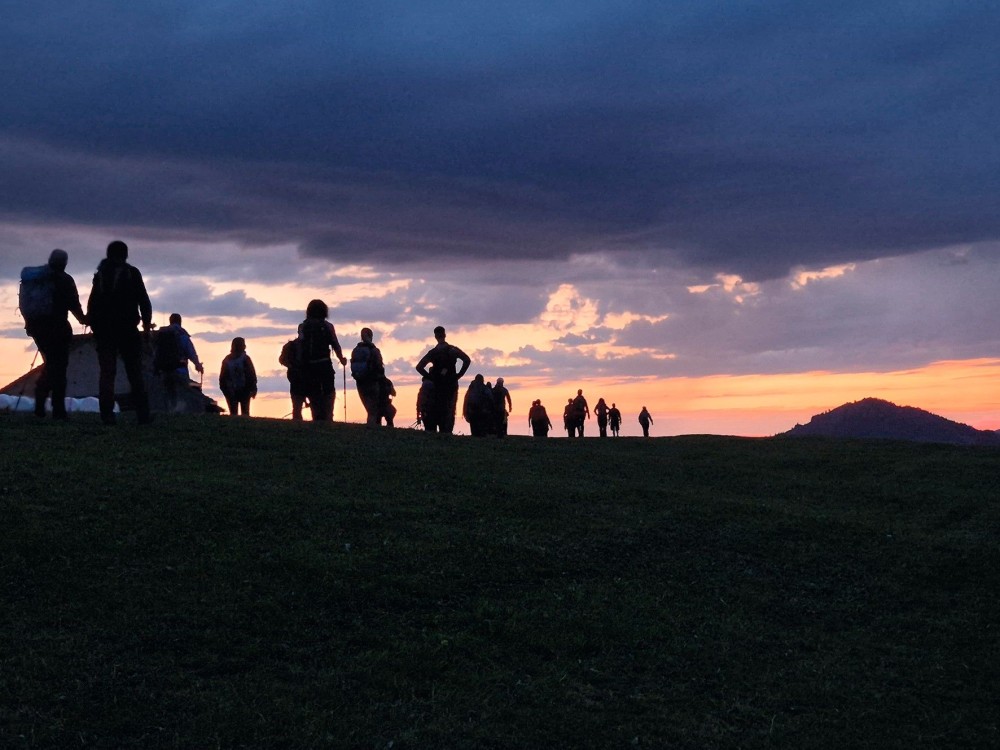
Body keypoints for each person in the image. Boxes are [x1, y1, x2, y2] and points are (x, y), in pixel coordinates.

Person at [86, 240, 153, 425]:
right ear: (125, 254)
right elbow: (144, 301)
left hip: (104, 331)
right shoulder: (132, 273)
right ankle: (143, 415)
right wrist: (146, 326)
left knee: (107, 373)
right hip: (128, 330)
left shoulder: (100, 274)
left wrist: (93, 325)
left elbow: (92, 303)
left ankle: (107, 415)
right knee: (135, 372)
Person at [21, 249, 86, 420]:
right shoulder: (65, 280)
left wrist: (30, 325)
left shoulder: (37, 279)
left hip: (37, 329)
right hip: (58, 328)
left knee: (51, 364)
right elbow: (74, 304)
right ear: (64, 263)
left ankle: (41, 403)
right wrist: (84, 319)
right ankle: (56, 409)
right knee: (58, 368)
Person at [414, 326, 471, 434]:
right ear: (445, 335)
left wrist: (430, 377)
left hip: (437, 385)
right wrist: (459, 375)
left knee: (435, 409)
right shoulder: (453, 350)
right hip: (451, 384)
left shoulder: (433, 352)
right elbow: (467, 360)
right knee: (449, 411)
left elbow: (419, 367)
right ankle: (446, 433)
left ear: (435, 336)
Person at [298, 299, 347, 421]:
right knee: (329, 392)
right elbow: (335, 344)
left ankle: (316, 417)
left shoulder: (303, 326)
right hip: (325, 364)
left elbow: (300, 346)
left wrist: (300, 365)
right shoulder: (328, 326)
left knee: (313, 393)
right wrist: (341, 359)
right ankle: (329, 416)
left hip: (309, 366)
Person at [156, 313, 204, 413]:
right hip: (180, 370)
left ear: (170, 321)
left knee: (168, 393)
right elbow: (191, 353)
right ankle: (179, 413)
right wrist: (198, 365)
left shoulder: (162, 335)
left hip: (164, 370)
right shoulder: (183, 335)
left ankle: (169, 412)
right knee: (182, 393)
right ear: (180, 321)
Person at [350, 327, 386, 427]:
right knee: (373, 408)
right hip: (372, 381)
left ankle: (371, 426)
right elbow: (379, 366)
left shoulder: (355, 350)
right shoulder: (374, 350)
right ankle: (372, 428)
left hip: (360, 382)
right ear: (371, 336)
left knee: (368, 407)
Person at [219, 337, 257, 416]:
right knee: (243, 413)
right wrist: (253, 388)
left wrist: (253, 388)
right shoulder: (245, 359)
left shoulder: (227, 360)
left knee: (236, 413)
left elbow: (251, 375)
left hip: (239, 390)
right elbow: (252, 375)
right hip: (234, 390)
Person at [279, 336, 307, 420]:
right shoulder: (292, 345)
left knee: (297, 405)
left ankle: (297, 422)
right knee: (297, 404)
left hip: (297, 377)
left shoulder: (291, 345)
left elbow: (282, 360)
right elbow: (282, 359)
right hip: (298, 377)